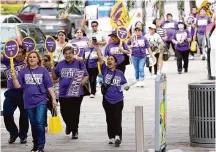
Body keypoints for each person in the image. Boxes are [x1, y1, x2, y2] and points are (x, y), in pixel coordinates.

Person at [12, 51, 57, 152]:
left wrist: (54, 99)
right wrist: (14, 77)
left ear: (38, 59)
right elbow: (18, 86)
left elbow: (49, 86)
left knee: (40, 122)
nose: (32, 59)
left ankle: (41, 146)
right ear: (27, 60)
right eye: (30, 57)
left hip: (41, 100)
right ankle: (35, 144)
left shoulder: (43, 70)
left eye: (34, 57)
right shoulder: (23, 71)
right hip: (28, 101)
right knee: (33, 123)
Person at [51, 46, 89, 140]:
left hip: (76, 92)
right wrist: (52, 69)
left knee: (75, 112)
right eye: (66, 54)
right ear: (64, 55)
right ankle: (69, 125)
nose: (68, 55)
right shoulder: (60, 64)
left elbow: (86, 75)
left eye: (70, 53)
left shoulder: (79, 63)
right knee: (64, 112)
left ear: (73, 54)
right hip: (63, 93)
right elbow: (55, 78)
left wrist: (82, 82)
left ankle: (75, 130)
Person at [96, 45, 129, 147]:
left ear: (115, 62)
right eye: (108, 59)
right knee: (109, 118)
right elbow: (101, 58)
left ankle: (118, 136)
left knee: (117, 118)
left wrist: (126, 87)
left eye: (112, 59)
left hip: (118, 100)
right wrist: (96, 46)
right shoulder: (105, 70)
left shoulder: (119, 73)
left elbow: (124, 84)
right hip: (107, 99)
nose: (109, 61)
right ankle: (111, 137)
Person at [1, 46, 29, 144]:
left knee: (24, 115)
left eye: (20, 52)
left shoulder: (27, 62)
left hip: (25, 92)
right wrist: (8, 48)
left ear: (24, 54)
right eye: (16, 52)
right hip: (11, 93)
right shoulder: (8, 61)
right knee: (6, 113)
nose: (18, 54)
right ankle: (13, 133)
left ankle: (23, 135)